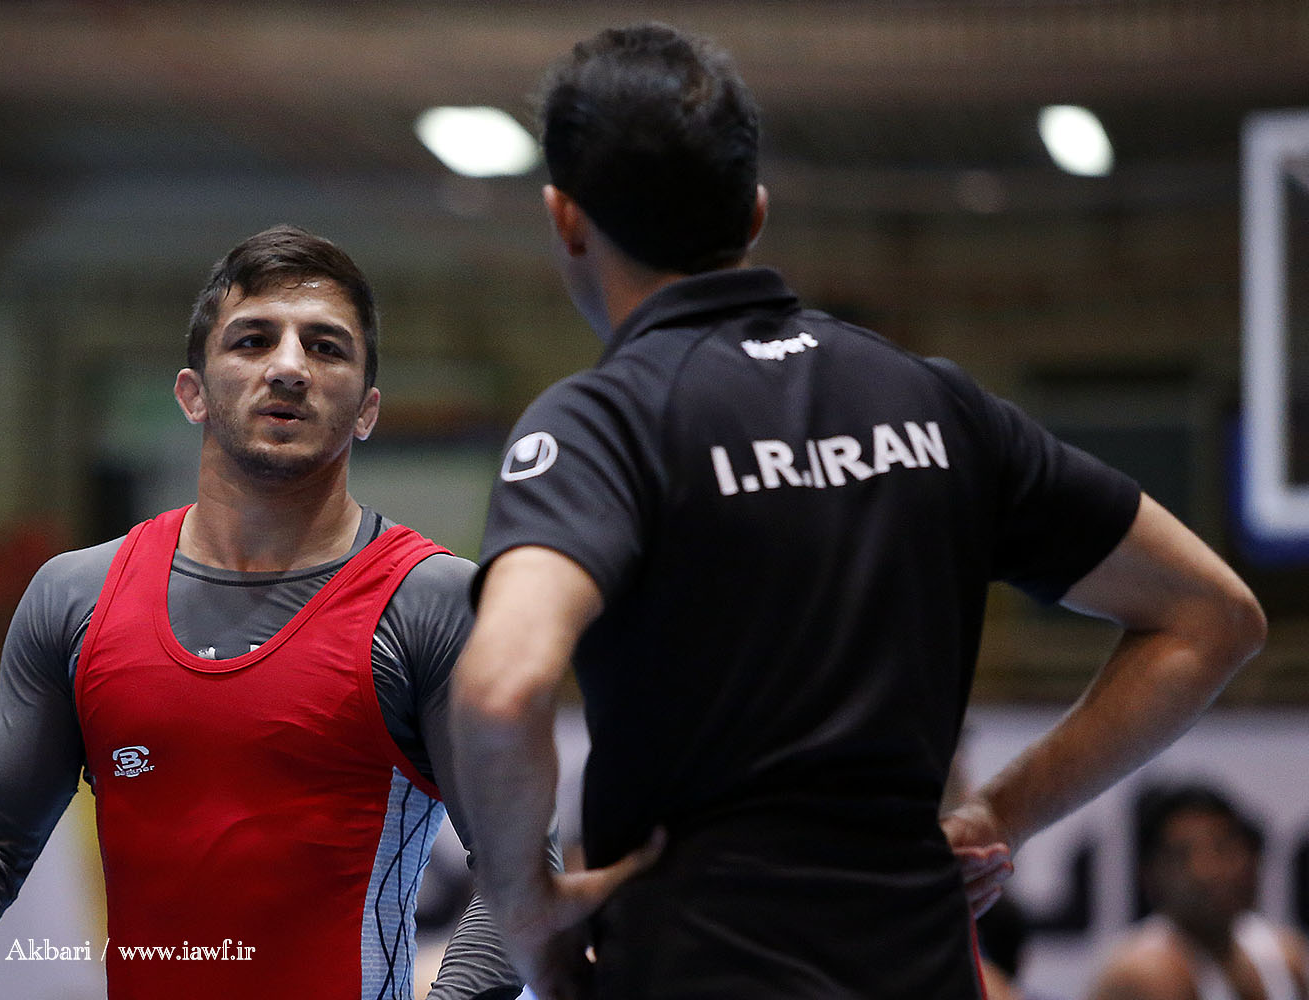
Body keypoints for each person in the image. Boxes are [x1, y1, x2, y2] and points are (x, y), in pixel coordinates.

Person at [447, 22, 1267, 1000]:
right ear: (754, 211)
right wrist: (1002, 814)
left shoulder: (602, 423)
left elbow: (501, 688)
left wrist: (527, 914)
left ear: (565, 217)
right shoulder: (933, 401)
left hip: (695, 969)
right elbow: (1214, 616)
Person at [0, 225, 522, 1000]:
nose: (289, 367)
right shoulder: (76, 597)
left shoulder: (435, 603)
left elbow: (518, 877)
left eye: (326, 347)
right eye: (253, 340)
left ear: (368, 409)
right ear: (191, 393)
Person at [1087, 783, 1308, 1000]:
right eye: (1182, 856)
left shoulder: (1287, 956)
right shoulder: (1144, 972)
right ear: (1149, 875)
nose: (1207, 870)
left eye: (1223, 847)